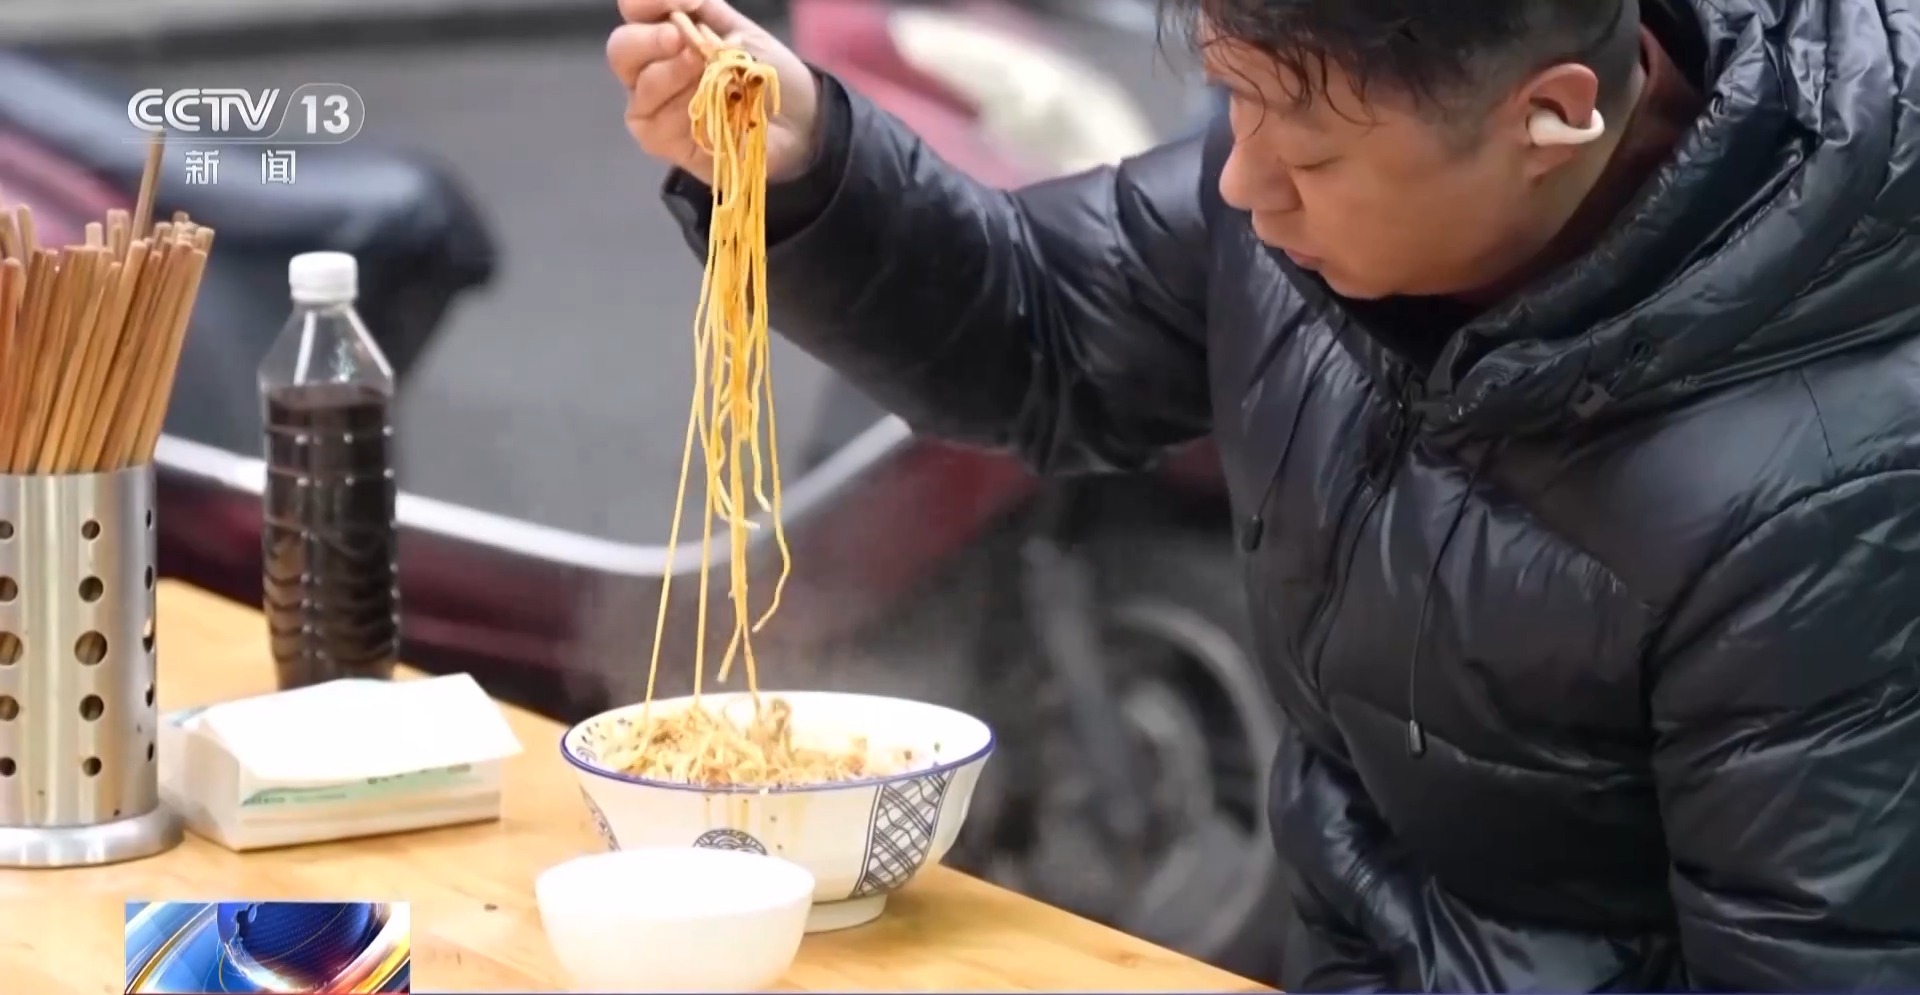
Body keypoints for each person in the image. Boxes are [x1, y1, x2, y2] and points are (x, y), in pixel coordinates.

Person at [607, 0, 1920, 988]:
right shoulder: (1315, 168)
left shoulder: (1822, 492)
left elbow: (1814, 960)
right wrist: (806, 160)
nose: (1241, 183)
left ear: (1552, 116)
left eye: (1314, 155)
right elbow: (1048, 329)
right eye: (1232, 102)